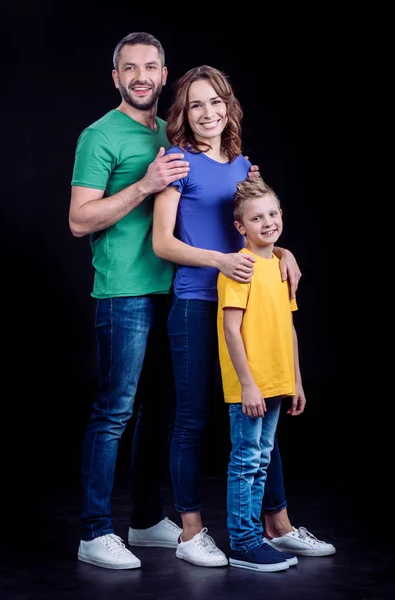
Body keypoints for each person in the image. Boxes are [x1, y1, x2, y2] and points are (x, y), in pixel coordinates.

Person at [152, 65, 304, 568]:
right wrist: (219, 261)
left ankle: (276, 524)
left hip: (249, 304)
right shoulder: (178, 162)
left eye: (215, 101)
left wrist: (284, 254)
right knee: (193, 418)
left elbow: (258, 228)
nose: (208, 112)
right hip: (198, 302)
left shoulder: (242, 166)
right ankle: (191, 530)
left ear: (228, 106)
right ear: (184, 114)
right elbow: (163, 242)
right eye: (196, 104)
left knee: (262, 408)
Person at [68, 32, 192, 570]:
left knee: (160, 410)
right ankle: (95, 532)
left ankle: (144, 520)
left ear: (165, 75)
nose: (141, 76)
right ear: (116, 77)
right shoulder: (98, 136)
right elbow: (79, 220)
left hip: (177, 289)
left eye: (151, 67)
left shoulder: (174, 132)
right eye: (130, 68)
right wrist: (144, 185)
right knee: (115, 410)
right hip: (125, 293)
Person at [217, 176, 307, 571]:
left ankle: (255, 537)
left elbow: (287, 328)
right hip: (249, 386)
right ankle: (243, 540)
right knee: (246, 460)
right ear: (241, 227)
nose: (268, 222)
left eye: (272, 214)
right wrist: (249, 384)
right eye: (257, 218)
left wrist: (296, 381)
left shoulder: (281, 267)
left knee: (262, 457)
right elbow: (231, 329)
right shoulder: (240, 269)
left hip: (277, 380)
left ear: (281, 215)